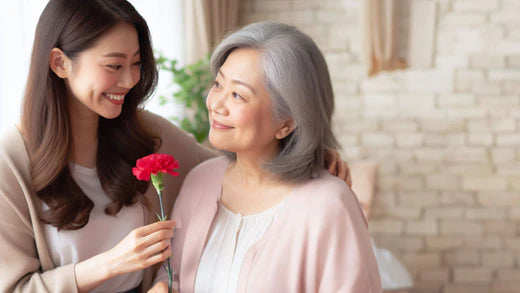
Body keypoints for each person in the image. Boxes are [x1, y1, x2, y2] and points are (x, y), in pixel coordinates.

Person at [0, 2, 350, 292]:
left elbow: (231, 168)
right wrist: (110, 264)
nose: (129, 80)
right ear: (60, 62)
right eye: (114, 65)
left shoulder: (145, 131)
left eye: (136, 64)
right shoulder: (10, 163)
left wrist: (303, 150)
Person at [150, 22, 382, 293]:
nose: (216, 104)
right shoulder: (201, 180)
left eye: (238, 94)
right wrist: (162, 287)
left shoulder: (329, 204)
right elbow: (172, 276)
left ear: (287, 122)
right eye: (218, 84)